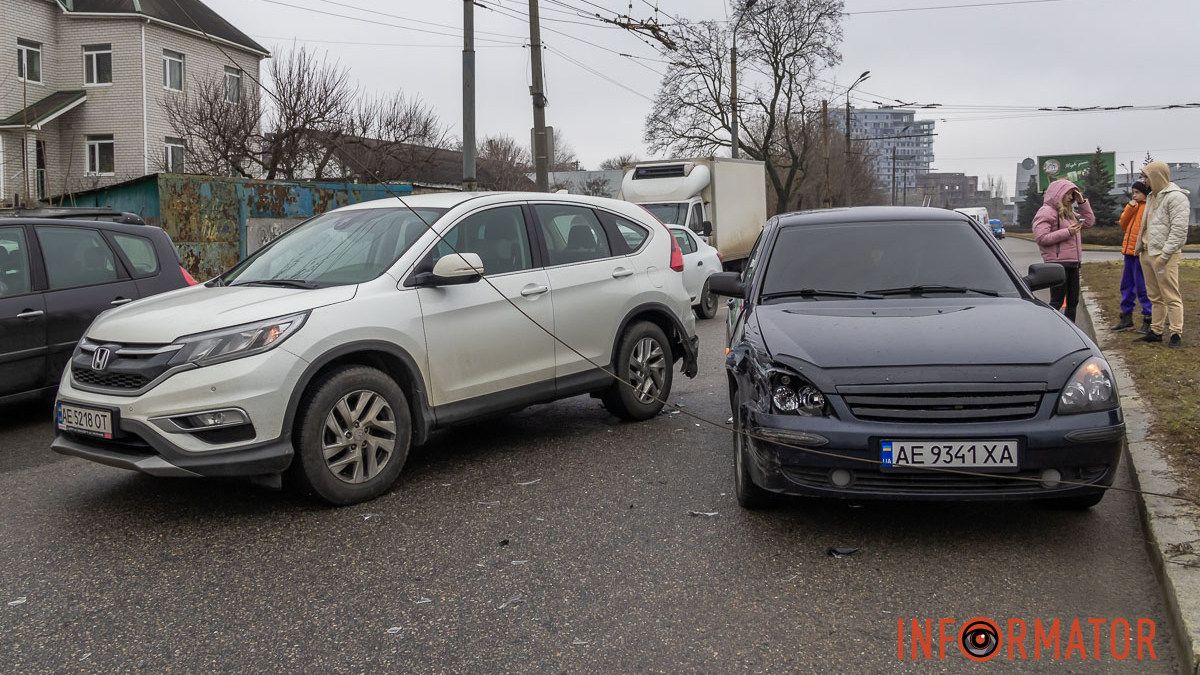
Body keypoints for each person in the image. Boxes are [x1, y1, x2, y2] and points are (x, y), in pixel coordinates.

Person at [1135, 161, 1189, 348]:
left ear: (1156, 176)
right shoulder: (1151, 196)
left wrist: (1164, 255)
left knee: (1170, 295)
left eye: (1146, 176)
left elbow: (1179, 231)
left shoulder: (1176, 197)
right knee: (1154, 296)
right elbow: (1146, 225)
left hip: (1164, 256)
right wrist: (1140, 248)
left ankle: (1176, 333)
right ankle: (1156, 331)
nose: (1144, 180)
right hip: (1147, 253)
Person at [1033, 178, 1095, 322]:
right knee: (1057, 302)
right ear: (1057, 194)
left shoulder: (1069, 212)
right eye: (1068, 194)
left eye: (1072, 194)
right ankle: (1051, 328)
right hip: (1057, 264)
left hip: (1072, 263)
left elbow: (1089, 222)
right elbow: (1041, 238)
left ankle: (1071, 330)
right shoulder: (1046, 212)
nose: (1070, 197)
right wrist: (1068, 232)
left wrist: (1082, 202)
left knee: (1073, 302)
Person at [1112, 180, 1153, 332]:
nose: (1134, 195)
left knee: (1143, 287)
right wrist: (1129, 208)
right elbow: (1123, 224)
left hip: (1140, 252)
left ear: (1146, 193)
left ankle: (1149, 318)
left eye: (1138, 192)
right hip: (1129, 252)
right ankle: (1126, 317)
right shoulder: (1133, 207)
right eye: (1133, 192)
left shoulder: (1149, 207)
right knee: (1126, 285)